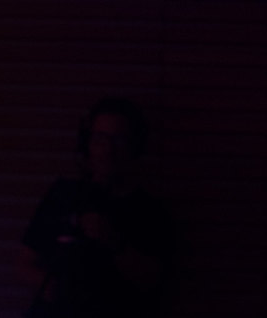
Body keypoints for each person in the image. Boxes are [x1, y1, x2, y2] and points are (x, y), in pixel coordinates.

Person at [20, 97, 174, 318]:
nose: (107, 150)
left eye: (119, 141)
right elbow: (24, 264)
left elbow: (153, 280)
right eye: (100, 139)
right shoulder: (64, 195)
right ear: (87, 144)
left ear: (135, 147)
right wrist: (55, 290)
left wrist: (112, 241)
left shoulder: (150, 212)